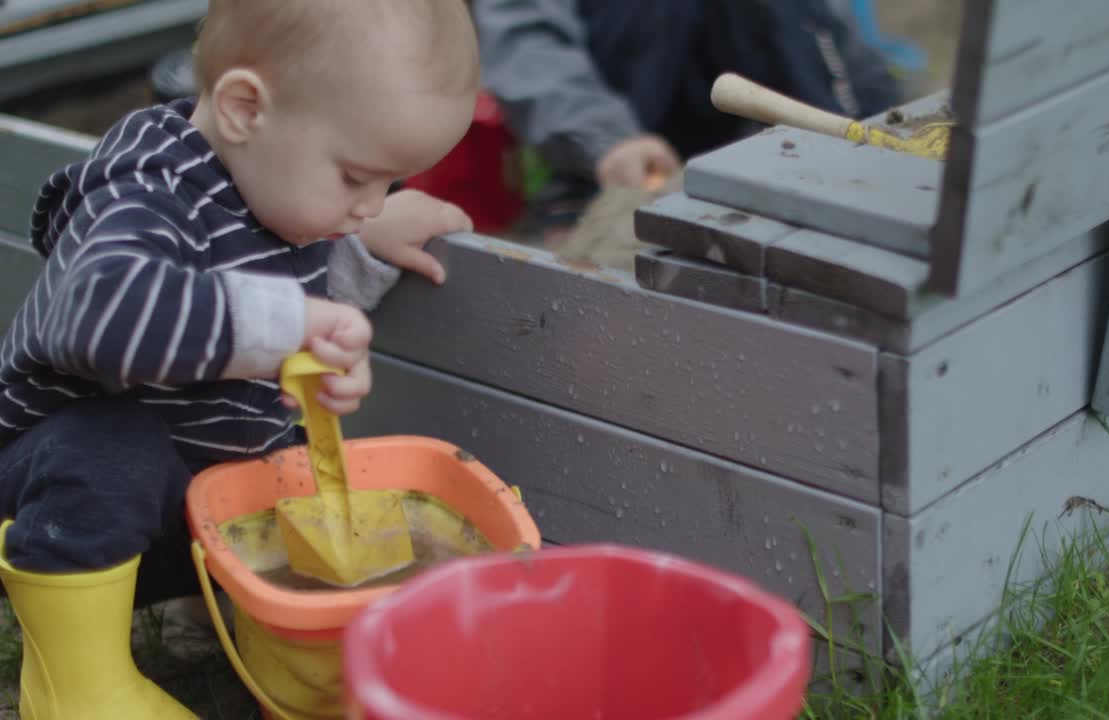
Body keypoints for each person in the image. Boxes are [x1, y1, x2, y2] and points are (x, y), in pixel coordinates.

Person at [0, 0, 479, 716]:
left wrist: (359, 251)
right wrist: (290, 325)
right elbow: (101, 316)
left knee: (292, 461)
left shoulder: (269, 179)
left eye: (390, 183)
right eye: (356, 177)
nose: (367, 203)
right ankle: (74, 681)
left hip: (184, 508)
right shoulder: (146, 194)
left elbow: (260, 281)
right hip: (52, 503)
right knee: (110, 446)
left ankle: (265, 633)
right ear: (244, 109)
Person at [472, 0, 904, 240]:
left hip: (787, 159)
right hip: (625, 164)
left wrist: (879, 122)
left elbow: (832, 32)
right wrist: (607, 139)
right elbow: (526, 39)